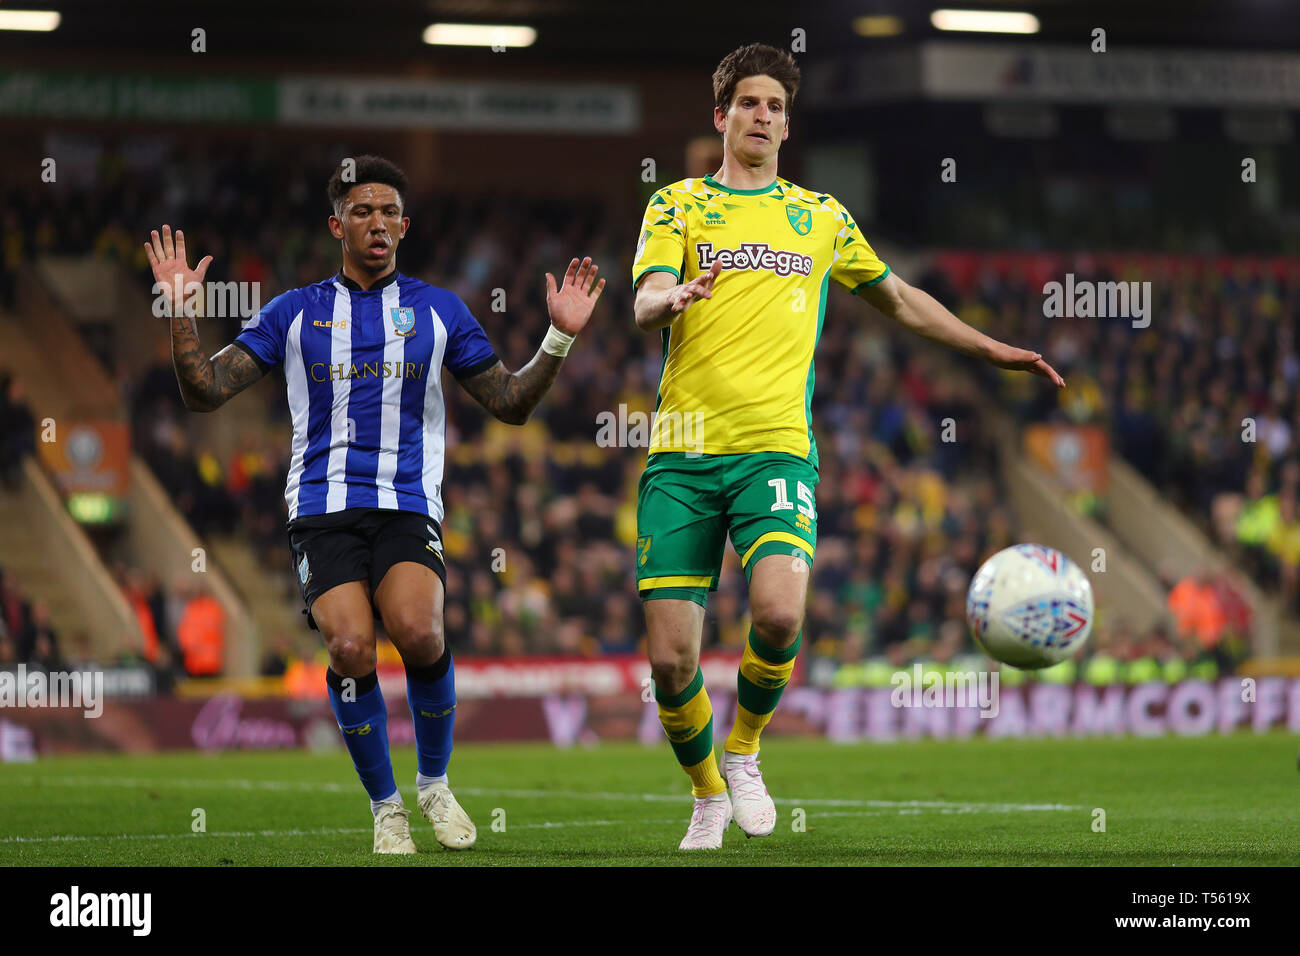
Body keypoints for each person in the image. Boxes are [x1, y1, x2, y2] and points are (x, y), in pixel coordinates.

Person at [631, 44, 1064, 850]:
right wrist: (672, 296)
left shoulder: (821, 217)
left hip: (775, 452)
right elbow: (645, 297)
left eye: (775, 107)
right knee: (669, 663)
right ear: (719, 115)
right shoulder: (678, 204)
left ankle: (747, 751)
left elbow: (899, 298)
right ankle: (706, 793)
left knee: (781, 610)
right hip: (681, 457)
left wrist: (988, 347)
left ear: (788, 125)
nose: (762, 117)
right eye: (748, 104)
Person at [145, 155, 605, 854]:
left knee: (420, 634)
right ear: (337, 225)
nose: (378, 223)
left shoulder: (439, 310)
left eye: (390, 212)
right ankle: (386, 807)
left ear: (406, 226)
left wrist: (559, 335)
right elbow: (204, 390)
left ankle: (434, 785)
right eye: (363, 211)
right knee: (352, 646)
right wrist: (181, 311)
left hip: (406, 504)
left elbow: (510, 403)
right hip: (322, 509)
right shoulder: (293, 312)